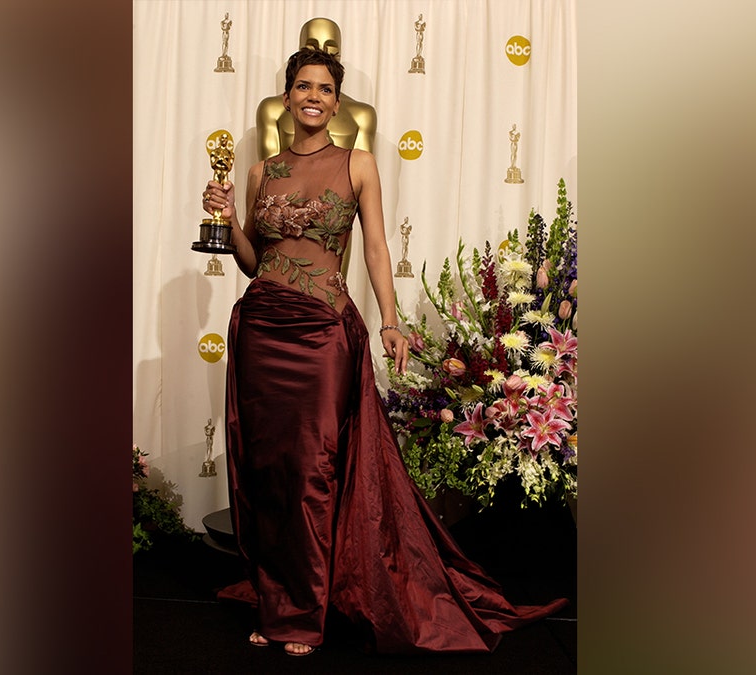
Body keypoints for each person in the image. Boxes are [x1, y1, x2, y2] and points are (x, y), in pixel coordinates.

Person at [201, 48, 566, 657]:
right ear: (287, 96)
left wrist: (390, 320)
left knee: (311, 470)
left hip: (322, 332)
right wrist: (230, 219)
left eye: (323, 88)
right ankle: (276, 597)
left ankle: (302, 614)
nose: (312, 96)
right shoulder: (263, 170)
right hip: (262, 325)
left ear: (335, 102)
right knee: (267, 471)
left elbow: (373, 247)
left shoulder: (358, 163)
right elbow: (251, 260)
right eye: (302, 87)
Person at [255, 18, 376, 159]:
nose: (321, 52)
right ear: (286, 99)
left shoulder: (362, 115)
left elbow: (358, 172)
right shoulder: (271, 110)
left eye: (330, 48)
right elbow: (270, 175)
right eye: (303, 86)